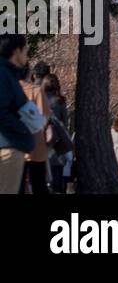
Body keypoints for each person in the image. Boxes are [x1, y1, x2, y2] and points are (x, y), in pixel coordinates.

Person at [0, 35, 37, 195]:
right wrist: (24, 128)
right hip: (8, 146)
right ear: (17, 51)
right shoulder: (4, 75)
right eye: (25, 48)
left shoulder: (9, 75)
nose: (27, 52)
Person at [19, 60, 52, 194]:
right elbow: (44, 118)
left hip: (14, 146)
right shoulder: (36, 91)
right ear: (28, 73)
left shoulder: (6, 90)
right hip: (36, 146)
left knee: (16, 185)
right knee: (39, 184)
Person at [43, 73, 70, 193]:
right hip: (57, 142)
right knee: (57, 176)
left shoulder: (39, 98)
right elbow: (65, 122)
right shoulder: (60, 101)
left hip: (41, 142)